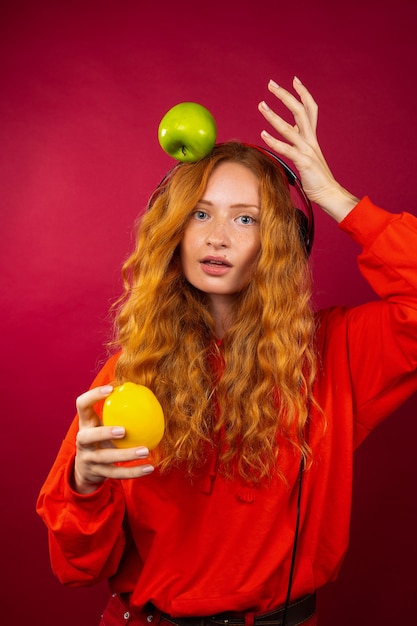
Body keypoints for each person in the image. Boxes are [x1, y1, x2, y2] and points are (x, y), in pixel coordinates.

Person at [36, 77, 417, 626]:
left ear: (282, 242)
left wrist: (332, 195)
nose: (218, 236)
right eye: (200, 213)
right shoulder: (130, 374)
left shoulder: (333, 357)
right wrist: (85, 484)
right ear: (176, 232)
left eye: (246, 218)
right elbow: (75, 567)